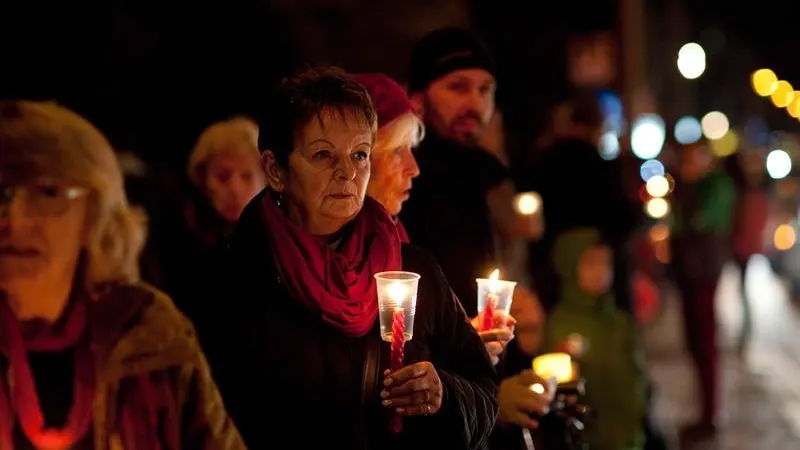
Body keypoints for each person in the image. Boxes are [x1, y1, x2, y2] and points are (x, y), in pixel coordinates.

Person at [208, 67, 498, 450]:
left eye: (360, 154)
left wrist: (444, 394)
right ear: (276, 170)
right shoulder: (232, 282)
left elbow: (483, 391)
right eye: (323, 155)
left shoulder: (413, 269)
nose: (347, 172)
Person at [0, 100, 243, 449]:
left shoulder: (150, 335)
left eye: (48, 193)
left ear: (95, 214)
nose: (16, 218)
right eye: (2, 193)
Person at [142, 116, 265, 343]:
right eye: (223, 176)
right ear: (202, 179)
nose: (236, 189)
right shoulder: (177, 240)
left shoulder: (279, 237)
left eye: (247, 176)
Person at [543, 228, 647, 450]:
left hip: (628, 434)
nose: (601, 272)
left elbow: (636, 371)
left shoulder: (619, 320)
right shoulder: (561, 323)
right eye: (591, 264)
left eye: (605, 263)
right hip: (590, 437)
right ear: (569, 267)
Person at [670, 141, 736, 444]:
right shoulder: (692, 186)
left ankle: (710, 415)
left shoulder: (714, 187)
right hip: (689, 273)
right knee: (694, 343)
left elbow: (698, 220)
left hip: (703, 272)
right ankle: (705, 412)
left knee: (705, 343)